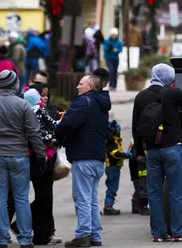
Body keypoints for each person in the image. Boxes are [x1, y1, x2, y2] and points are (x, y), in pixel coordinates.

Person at [0, 69, 46, 248]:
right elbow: (34, 132)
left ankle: (2, 239)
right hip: (19, 156)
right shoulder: (23, 105)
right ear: (15, 84)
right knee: (21, 197)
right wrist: (41, 155)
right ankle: (25, 239)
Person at [55, 75, 111, 248]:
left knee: (83, 198)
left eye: (81, 84)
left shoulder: (82, 102)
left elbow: (68, 125)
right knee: (92, 199)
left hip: (83, 157)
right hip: (98, 158)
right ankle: (95, 235)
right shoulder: (102, 104)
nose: (77, 87)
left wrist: (56, 129)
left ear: (91, 87)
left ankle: (83, 235)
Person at [133, 63, 182, 242]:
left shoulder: (141, 96)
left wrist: (139, 151)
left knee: (154, 194)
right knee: (176, 193)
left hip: (151, 152)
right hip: (172, 149)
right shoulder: (173, 93)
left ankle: (157, 234)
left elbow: (135, 127)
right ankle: (177, 233)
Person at [24, 89, 60, 246]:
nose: (44, 98)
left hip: (30, 155)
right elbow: (51, 127)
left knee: (42, 196)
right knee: (43, 196)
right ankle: (35, 233)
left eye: (47, 95)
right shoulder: (40, 111)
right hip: (41, 155)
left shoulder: (24, 110)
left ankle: (42, 232)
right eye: (42, 95)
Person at [103, 119, 132, 216]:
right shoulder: (111, 141)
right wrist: (127, 155)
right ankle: (108, 207)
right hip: (112, 167)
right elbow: (115, 154)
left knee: (113, 186)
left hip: (114, 167)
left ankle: (108, 206)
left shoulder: (114, 140)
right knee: (112, 187)